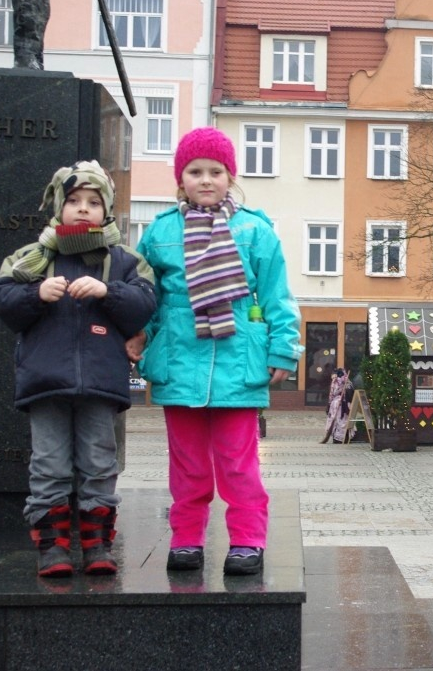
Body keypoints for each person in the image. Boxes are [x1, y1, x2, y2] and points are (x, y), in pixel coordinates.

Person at [126, 127, 303, 576]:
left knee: (238, 463)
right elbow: (147, 295)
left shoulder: (255, 230)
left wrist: (283, 349)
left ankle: (246, 540)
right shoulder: (162, 231)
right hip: (179, 359)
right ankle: (187, 538)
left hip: (237, 361)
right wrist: (137, 335)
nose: (206, 180)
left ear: (230, 177)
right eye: (195, 171)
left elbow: (277, 294)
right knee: (186, 464)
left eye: (216, 171)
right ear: (180, 178)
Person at [0, 160, 157, 577]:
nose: (83, 209)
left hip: (101, 385)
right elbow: (3, 301)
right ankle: (53, 547)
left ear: (107, 211)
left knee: (100, 462)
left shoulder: (123, 261)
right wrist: (35, 293)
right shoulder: (31, 258)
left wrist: (108, 291)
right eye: (74, 201)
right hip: (46, 383)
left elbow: (144, 303)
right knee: (49, 464)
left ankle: (97, 543)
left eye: (94, 202)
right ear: (58, 207)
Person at [323, 367, 354, 443]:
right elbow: (351, 393)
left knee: (338, 420)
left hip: (337, 403)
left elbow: (332, 393)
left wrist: (329, 403)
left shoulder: (336, 381)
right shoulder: (348, 381)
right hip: (345, 404)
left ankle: (338, 438)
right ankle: (344, 437)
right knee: (344, 420)